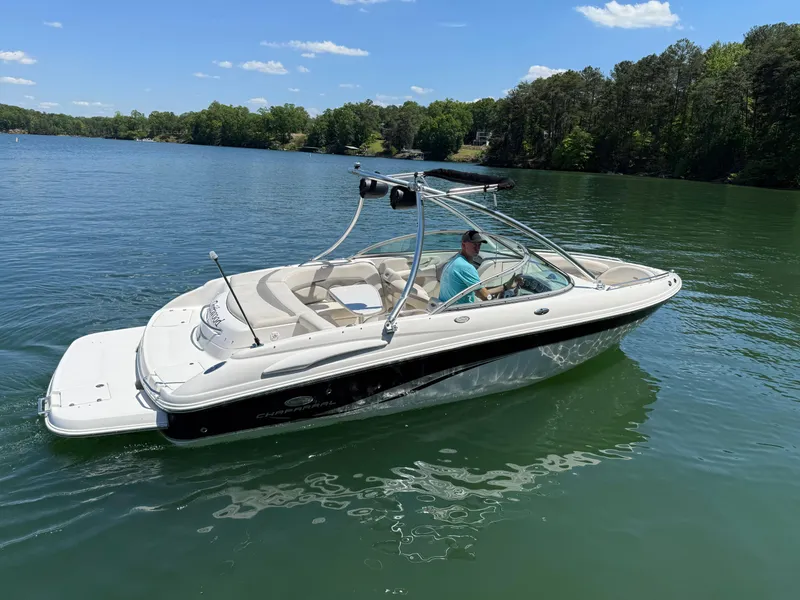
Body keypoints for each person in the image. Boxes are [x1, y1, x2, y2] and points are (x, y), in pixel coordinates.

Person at [439, 230, 519, 305]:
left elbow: (478, 291)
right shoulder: (466, 267)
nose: (477, 248)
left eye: (479, 245)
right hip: (460, 312)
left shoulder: (455, 261)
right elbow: (485, 297)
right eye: (474, 245)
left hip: (446, 307)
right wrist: (498, 302)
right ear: (463, 245)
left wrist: (506, 287)